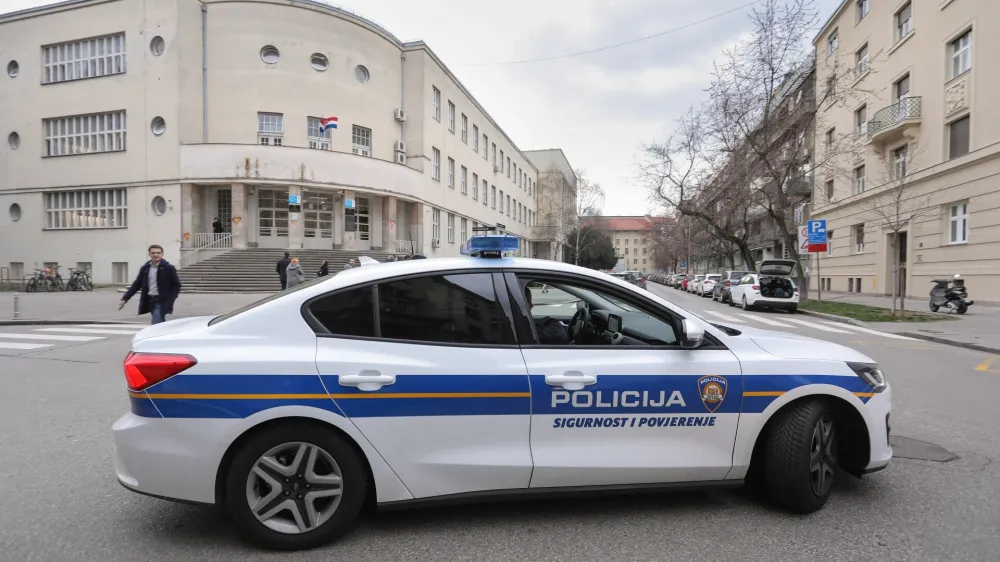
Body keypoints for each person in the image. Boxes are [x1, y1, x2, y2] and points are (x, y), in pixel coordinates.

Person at [118, 244, 181, 325]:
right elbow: (137, 284)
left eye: (158, 253)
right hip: (149, 299)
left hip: (162, 300)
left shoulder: (168, 268)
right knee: (159, 322)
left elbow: (177, 284)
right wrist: (125, 299)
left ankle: (156, 336)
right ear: (149, 254)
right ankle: (163, 336)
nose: (156, 255)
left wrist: (172, 298)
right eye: (153, 253)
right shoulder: (145, 268)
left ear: (162, 254)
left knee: (156, 321)